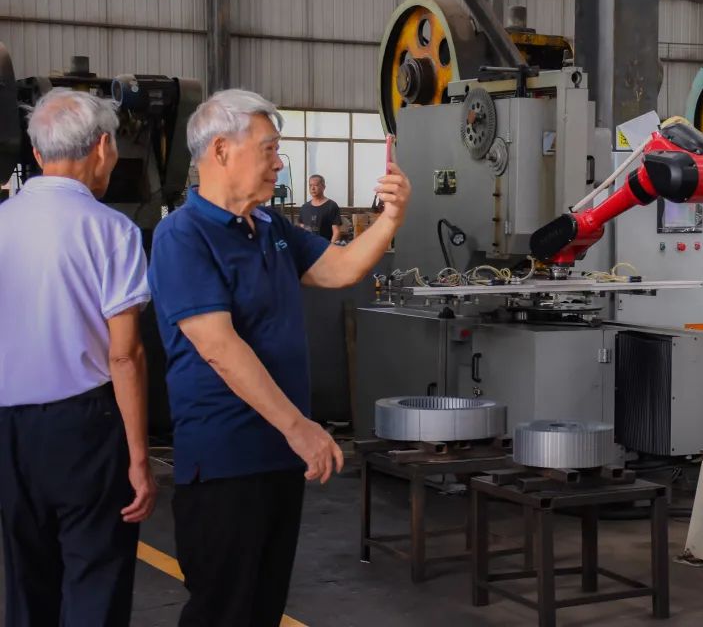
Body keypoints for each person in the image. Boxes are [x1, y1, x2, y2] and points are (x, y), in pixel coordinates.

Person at [148, 89, 410, 626]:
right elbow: (219, 347)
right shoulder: (183, 236)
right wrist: (300, 428)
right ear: (221, 150)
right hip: (225, 462)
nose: (279, 162)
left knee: (263, 609)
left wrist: (391, 217)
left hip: (278, 459)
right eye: (268, 148)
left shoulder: (270, 227)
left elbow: (340, 269)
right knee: (223, 611)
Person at [0, 89, 157, 626]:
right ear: (104, 148)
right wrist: (139, 458)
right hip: (84, 430)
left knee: (26, 583)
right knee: (96, 581)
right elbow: (125, 356)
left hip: (9, 432)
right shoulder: (111, 231)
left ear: (37, 154)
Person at [300, 174, 342, 241]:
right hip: (308, 246)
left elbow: (336, 231)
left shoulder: (331, 206)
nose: (312, 188)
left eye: (316, 185)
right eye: (310, 185)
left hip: (325, 245)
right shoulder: (304, 207)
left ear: (323, 187)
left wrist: (330, 246)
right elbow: (302, 229)